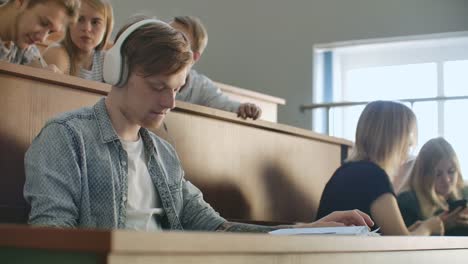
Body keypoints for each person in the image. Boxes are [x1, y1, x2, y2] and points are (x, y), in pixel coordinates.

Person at [24, 18, 373, 232]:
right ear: (118, 73)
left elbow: (216, 227)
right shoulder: (66, 138)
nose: (169, 103)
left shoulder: (162, 154)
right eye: (158, 87)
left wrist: (309, 230)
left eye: (176, 89)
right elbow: (51, 235)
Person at [316, 101, 444, 236]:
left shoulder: (346, 171)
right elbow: (401, 243)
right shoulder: (374, 176)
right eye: (408, 141)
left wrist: (413, 230)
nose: (409, 147)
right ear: (395, 140)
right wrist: (428, 227)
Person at [169, 16, 262, 120]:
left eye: (179, 43)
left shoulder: (200, 86)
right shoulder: (148, 70)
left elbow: (225, 105)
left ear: (194, 57)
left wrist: (244, 108)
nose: (167, 45)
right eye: (165, 36)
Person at [398, 137, 468, 236]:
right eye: (438, 174)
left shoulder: (461, 195)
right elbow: (407, 244)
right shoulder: (409, 202)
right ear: (423, 176)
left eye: (451, 172)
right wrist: (442, 225)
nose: (446, 180)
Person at [41, 0, 113, 81]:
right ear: (69, 23)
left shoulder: (107, 61)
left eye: (95, 22)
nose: (87, 28)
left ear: (106, 29)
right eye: (79, 19)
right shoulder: (57, 53)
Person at [0, 0, 79, 67]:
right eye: (43, 23)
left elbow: (42, 69)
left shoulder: (20, 38)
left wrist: (49, 74)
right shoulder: (20, 34)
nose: (42, 38)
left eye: (50, 32)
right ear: (21, 2)